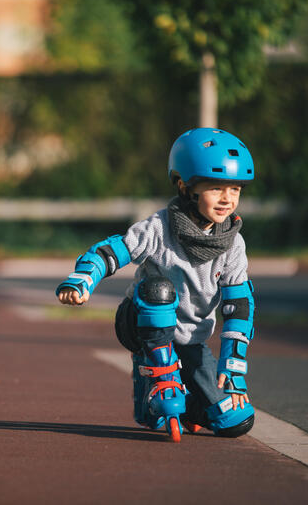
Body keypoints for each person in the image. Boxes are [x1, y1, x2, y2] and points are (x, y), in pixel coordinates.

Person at [56, 127, 256, 442]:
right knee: (159, 288)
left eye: (235, 189)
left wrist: (233, 368)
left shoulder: (234, 244)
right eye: (216, 188)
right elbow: (113, 251)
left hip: (190, 339)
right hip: (140, 324)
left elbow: (239, 306)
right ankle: (161, 379)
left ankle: (187, 406)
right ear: (184, 186)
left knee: (236, 420)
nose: (227, 199)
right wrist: (83, 280)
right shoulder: (159, 228)